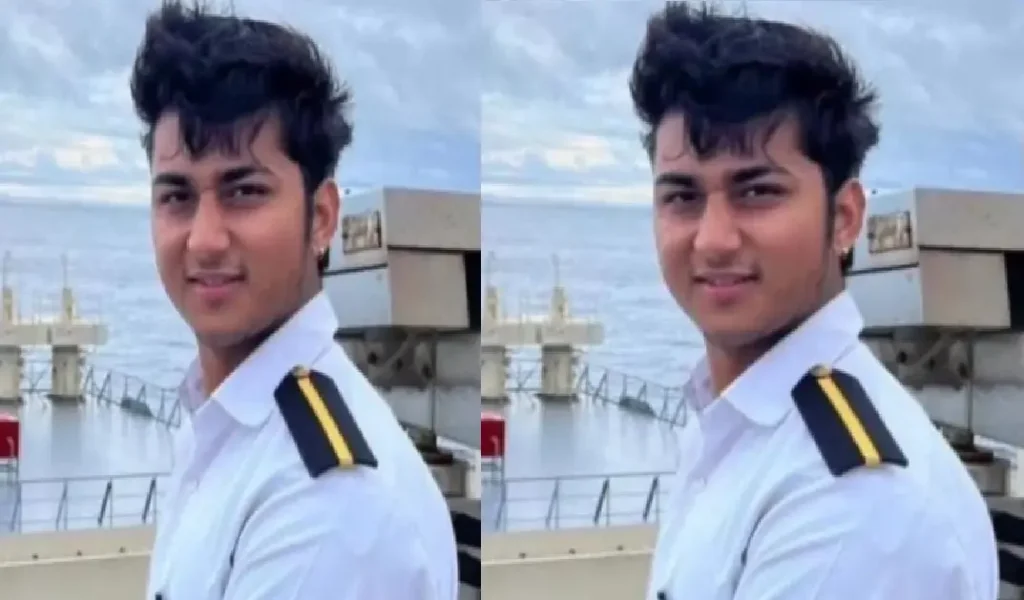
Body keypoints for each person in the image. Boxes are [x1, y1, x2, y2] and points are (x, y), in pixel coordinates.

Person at [628, 2, 999, 599]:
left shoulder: (853, 503)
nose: (713, 239)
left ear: (845, 216)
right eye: (682, 197)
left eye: (757, 191)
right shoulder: (737, 427)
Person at [130, 2, 458, 598]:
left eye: (244, 191)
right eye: (176, 197)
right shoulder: (230, 428)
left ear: (322, 217)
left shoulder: (327, 502)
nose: (204, 240)